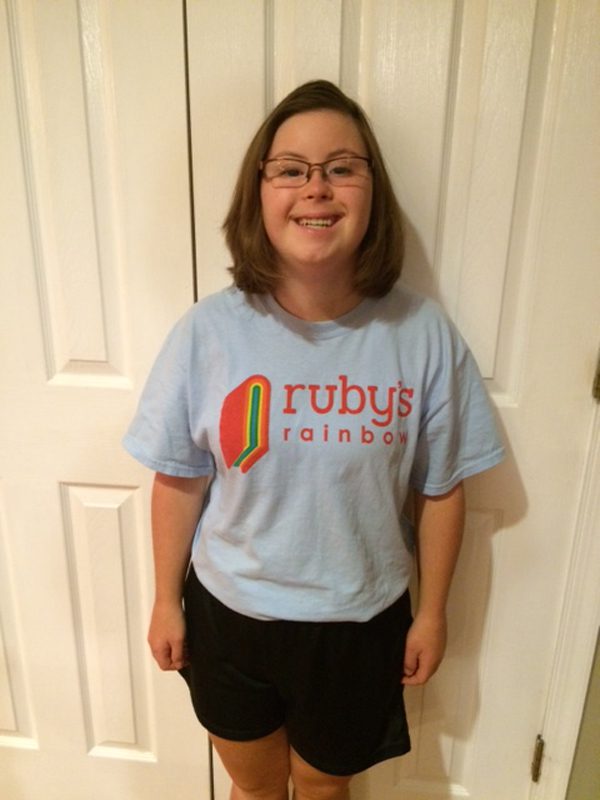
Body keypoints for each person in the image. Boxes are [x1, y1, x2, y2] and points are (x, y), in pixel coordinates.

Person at [123, 80, 504, 800]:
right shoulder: (208, 332)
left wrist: (432, 613)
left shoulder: (421, 336)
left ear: (372, 190)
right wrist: (165, 600)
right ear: (259, 191)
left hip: (358, 625)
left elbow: (442, 487)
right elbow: (179, 477)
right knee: (257, 790)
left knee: (325, 790)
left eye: (341, 167)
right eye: (291, 169)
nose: (316, 188)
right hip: (230, 619)